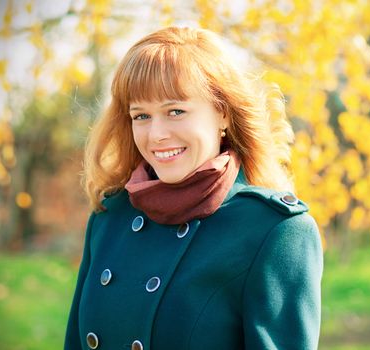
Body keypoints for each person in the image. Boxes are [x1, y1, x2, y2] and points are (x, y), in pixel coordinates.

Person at [64, 26, 323, 350]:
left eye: (176, 111)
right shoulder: (110, 217)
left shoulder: (275, 231)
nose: (156, 134)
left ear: (222, 114)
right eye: (141, 115)